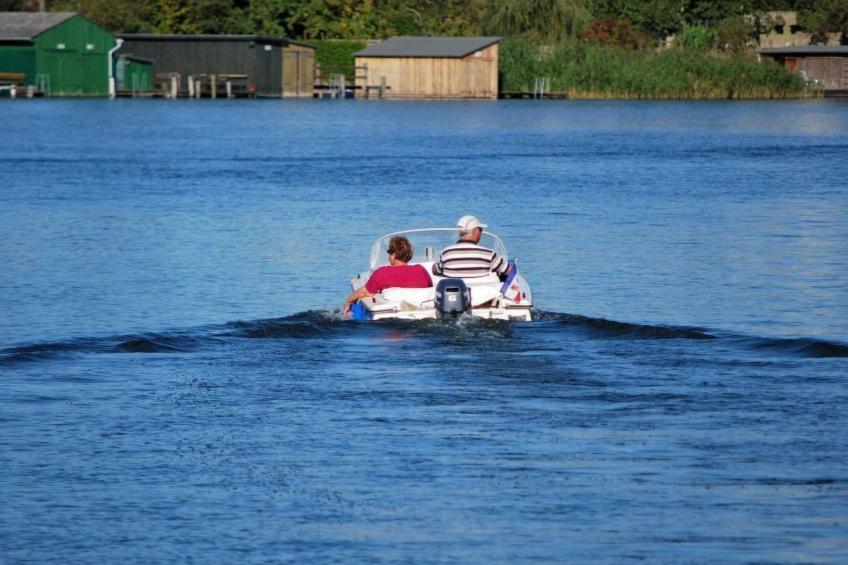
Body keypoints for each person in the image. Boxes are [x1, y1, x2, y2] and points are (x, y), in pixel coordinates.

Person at [343, 236, 432, 318]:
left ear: (393, 255)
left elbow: (363, 293)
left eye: (389, 252)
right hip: (423, 313)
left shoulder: (382, 273)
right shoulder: (421, 270)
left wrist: (348, 303)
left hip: (389, 316)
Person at [432, 215, 511, 280]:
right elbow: (508, 270)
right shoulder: (488, 254)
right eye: (480, 230)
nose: (481, 233)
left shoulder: (446, 253)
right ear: (475, 231)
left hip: (455, 293)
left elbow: (435, 271)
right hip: (482, 294)